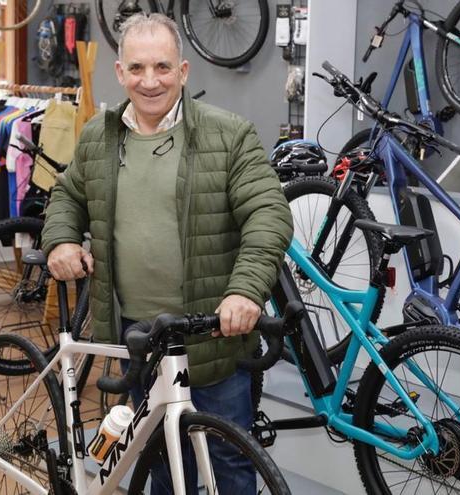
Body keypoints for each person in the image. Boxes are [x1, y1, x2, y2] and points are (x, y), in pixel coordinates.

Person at [41, 12, 293, 493]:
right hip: (138, 337)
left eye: (162, 67)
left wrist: (245, 291)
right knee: (158, 459)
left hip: (212, 333)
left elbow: (269, 214)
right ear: (120, 73)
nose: (149, 81)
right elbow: (68, 196)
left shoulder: (229, 134)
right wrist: (62, 239)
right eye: (136, 68)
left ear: (183, 71)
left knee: (230, 462)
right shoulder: (99, 135)